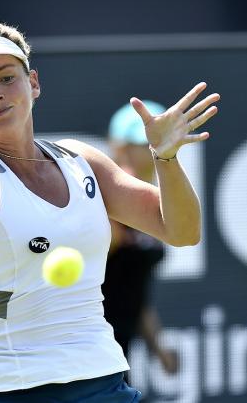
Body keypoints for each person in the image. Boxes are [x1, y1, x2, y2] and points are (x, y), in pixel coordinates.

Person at [0, 20, 219, 403]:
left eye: (7, 78)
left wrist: (166, 157)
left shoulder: (82, 161)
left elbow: (183, 232)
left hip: (101, 380)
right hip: (3, 391)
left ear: (34, 83)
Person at [102, 101, 179, 384]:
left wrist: (157, 346)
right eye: (142, 141)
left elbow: (136, 291)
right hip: (91, 351)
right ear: (118, 146)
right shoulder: (106, 201)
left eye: (157, 141)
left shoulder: (161, 203)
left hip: (121, 349)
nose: (151, 148)